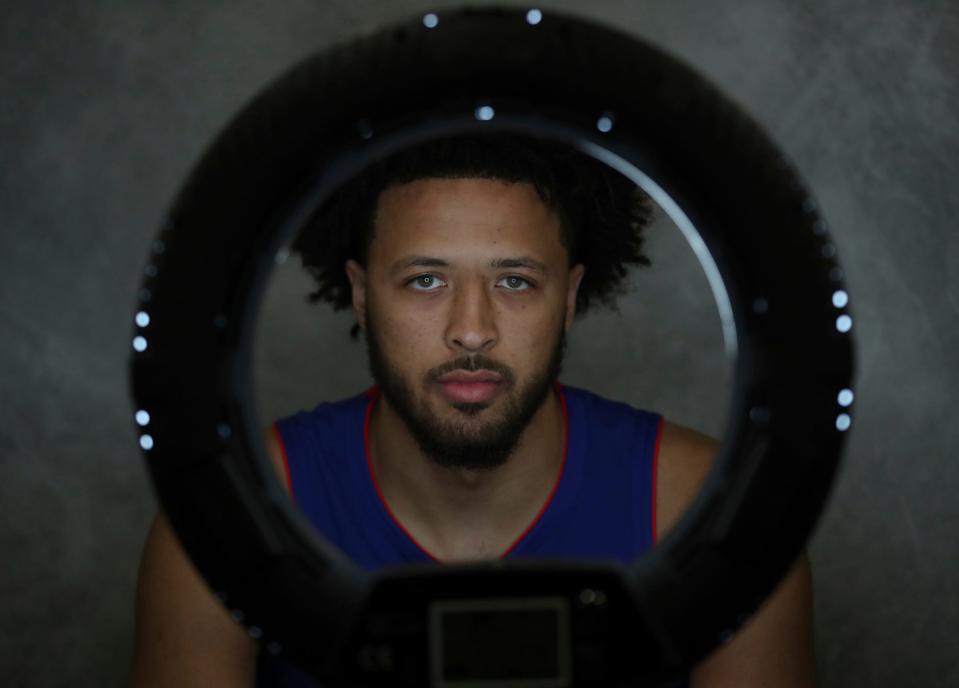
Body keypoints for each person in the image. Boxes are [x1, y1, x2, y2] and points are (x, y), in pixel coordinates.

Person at [130, 134, 815, 687]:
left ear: (570, 297)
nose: (471, 330)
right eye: (425, 280)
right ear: (361, 294)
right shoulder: (229, 516)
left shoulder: (715, 512)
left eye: (514, 281)